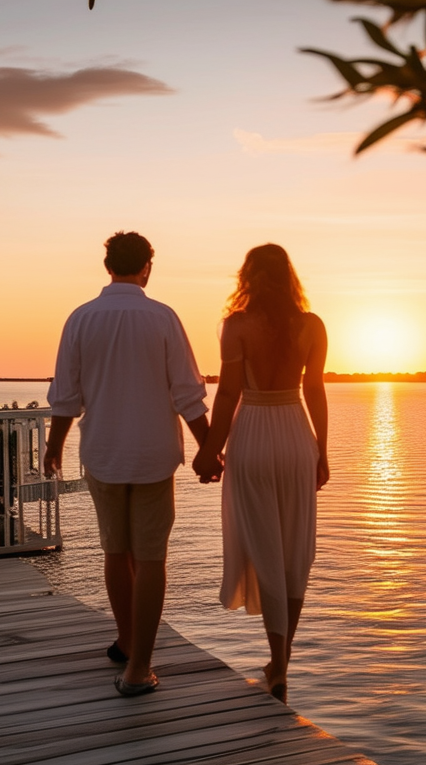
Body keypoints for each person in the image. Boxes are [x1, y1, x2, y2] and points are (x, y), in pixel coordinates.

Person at [44, 231, 212, 697]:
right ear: (147, 268)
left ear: (107, 266)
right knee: (152, 557)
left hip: (104, 452)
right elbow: (188, 393)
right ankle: (139, 665)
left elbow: (66, 396)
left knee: (116, 552)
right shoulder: (163, 318)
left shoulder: (81, 319)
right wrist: (208, 447)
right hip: (154, 454)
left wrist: (53, 446)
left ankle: (126, 638)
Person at [192, 243, 329, 703]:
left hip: (251, 437)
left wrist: (209, 452)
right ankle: (282, 662)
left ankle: (276, 660)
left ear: (247, 277)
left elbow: (227, 396)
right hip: (295, 437)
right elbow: (315, 391)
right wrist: (322, 453)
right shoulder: (312, 326)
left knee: (266, 550)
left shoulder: (236, 326)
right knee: (295, 554)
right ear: (290, 276)